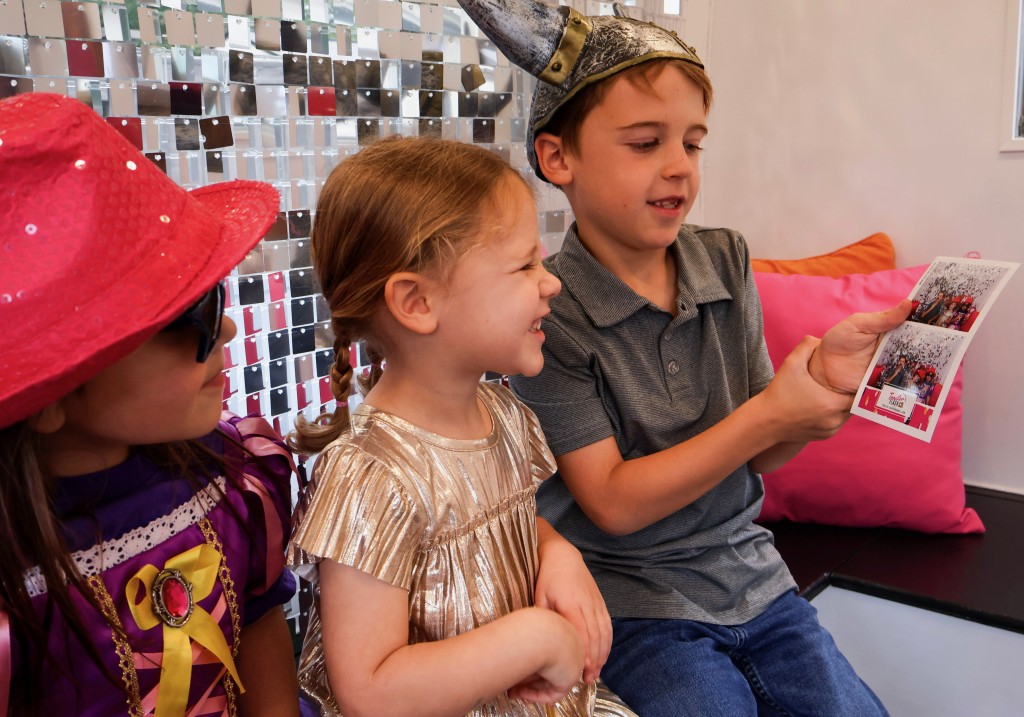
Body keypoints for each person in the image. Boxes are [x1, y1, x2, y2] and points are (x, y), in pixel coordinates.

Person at [456, 1, 910, 715]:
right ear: (557, 157)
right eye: (645, 143)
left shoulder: (725, 259)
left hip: (756, 578)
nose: (679, 168)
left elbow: (764, 458)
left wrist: (814, 392)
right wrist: (769, 416)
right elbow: (608, 500)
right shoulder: (550, 308)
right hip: (635, 603)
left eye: (693, 144)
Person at [287, 136, 637, 717]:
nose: (550, 282)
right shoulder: (370, 476)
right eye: (524, 264)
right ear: (417, 303)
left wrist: (558, 555)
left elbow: (507, 529)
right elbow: (369, 690)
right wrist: (534, 638)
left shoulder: (503, 414)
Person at [0, 94, 299, 717]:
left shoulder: (233, 481)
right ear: (49, 396)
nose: (225, 332)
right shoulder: (18, 590)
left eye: (209, 294)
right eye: (183, 315)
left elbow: (262, 621)